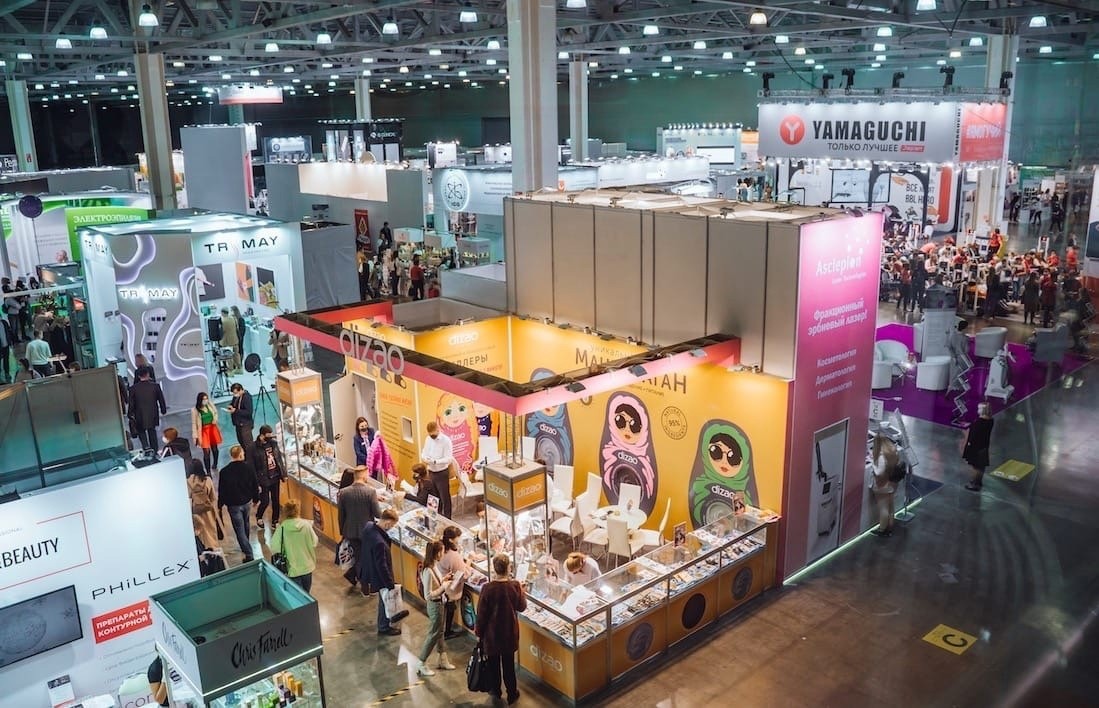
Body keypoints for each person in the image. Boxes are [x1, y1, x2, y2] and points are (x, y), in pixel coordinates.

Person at [476, 553, 527, 705]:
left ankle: (495, 691)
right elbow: (521, 607)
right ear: (508, 567)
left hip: (491, 635)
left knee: (493, 665)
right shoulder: (515, 586)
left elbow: (481, 614)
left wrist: (479, 633)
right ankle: (512, 693)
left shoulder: (487, 588)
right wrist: (522, 592)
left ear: (494, 568)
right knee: (509, 666)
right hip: (509, 633)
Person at [416, 540, 458, 677]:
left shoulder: (433, 566)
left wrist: (444, 579)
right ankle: (421, 662)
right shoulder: (428, 571)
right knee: (434, 634)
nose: (443, 554)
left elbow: (436, 583)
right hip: (435, 605)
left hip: (440, 604)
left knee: (440, 632)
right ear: (437, 553)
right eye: (442, 551)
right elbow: (428, 595)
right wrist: (443, 587)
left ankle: (443, 659)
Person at [337, 466, 382, 592]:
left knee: (358, 558)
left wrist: (342, 531)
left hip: (351, 531)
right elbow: (378, 514)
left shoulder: (344, 493)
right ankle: (368, 585)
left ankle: (364, 585)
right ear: (363, 476)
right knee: (368, 558)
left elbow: (341, 515)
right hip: (367, 532)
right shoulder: (370, 492)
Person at [359, 508, 403, 636]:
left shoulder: (368, 526)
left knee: (383, 599)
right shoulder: (379, 542)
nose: (391, 528)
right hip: (378, 575)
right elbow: (381, 565)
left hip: (368, 568)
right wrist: (389, 584)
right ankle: (384, 627)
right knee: (385, 600)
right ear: (387, 523)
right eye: (392, 525)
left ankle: (384, 624)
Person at [218, 444, 259, 562]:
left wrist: (220, 504)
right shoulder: (248, 468)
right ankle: (246, 546)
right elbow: (255, 484)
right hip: (247, 501)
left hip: (233, 505)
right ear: (240, 454)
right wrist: (256, 499)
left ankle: (248, 552)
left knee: (239, 529)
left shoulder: (224, 471)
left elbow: (222, 490)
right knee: (246, 524)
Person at [270, 499, 319, 593]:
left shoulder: (282, 528)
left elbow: (275, 547)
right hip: (307, 567)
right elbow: (314, 542)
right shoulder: (306, 525)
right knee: (307, 595)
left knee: (298, 597)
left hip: (292, 569)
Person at [251, 425, 286, 530]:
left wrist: (283, 474)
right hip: (264, 478)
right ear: (262, 435)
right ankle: (259, 516)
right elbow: (252, 466)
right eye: (268, 434)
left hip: (275, 476)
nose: (270, 436)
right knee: (265, 501)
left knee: (276, 500)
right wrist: (256, 482)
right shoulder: (254, 447)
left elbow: (279, 459)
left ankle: (275, 520)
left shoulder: (273, 444)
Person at [187, 458, 221, 559]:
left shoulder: (187, 482)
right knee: (211, 533)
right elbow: (213, 497)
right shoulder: (207, 480)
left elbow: (188, 498)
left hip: (196, 512)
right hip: (208, 511)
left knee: (201, 534)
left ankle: (206, 554)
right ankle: (216, 555)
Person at [420, 421, 455, 519]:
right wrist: (425, 458)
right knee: (434, 497)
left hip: (441, 472)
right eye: (430, 434)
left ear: (438, 429)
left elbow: (449, 458)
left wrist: (436, 461)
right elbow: (424, 452)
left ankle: (448, 518)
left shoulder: (446, 441)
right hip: (431, 472)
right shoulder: (428, 439)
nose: (432, 436)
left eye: (433, 434)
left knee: (444, 497)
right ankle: (436, 516)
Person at [438, 526, 468, 639]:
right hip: (451, 588)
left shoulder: (441, 548)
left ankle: (444, 629)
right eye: (457, 537)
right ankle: (447, 631)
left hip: (442, 584)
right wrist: (469, 560)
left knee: (445, 608)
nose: (459, 539)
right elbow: (463, 575)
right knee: (450, 608)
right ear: (451, 540)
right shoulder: (453, 556)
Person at [869, 433, 901, 537]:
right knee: (890, 507)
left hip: (882, 486)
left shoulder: (881, 456)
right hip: (891, 484)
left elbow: (878, 472)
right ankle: (889, 528)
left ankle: (882, 529)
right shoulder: (893, 452)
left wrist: (873, 464)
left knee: (883, 508)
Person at [129, 366, 166, 451]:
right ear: (148, 374)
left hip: (139, 414)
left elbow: (131, 404)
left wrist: (130, 414)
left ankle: (146, 448)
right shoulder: (155, 386)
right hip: (152, 413)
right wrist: (163, 410)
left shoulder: (133, 388)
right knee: (152, 431)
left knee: (141, 432)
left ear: (138, 376)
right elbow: (161, 399)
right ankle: (155, 450)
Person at [963, 402, 995, 491]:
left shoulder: (980, 422)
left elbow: (975, 435)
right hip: (984, 446)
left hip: (976, 447)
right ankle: (979, 481)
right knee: (981, 466)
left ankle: (974, 483)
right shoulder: (990, 420)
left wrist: (969, 444)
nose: (978, 410)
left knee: (976, 466)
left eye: (979, 408)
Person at [192, 391, 223, 474]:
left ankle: (215, 463)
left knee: (215, 449)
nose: (205, 400)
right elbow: (194, 423)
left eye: (206, 399)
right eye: (203, 399)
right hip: (203, 431)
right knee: (206, 452)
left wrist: (215, 419)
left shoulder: (210, 405)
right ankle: (208, 471)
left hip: (212, 428)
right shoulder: (195, 410)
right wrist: (195, 436)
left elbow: (215, 412)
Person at [228, 382, 254, 449]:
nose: (234, 394)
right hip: (238, 423)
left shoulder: (247, 397)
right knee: (241, 442)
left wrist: (235, 411)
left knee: (248, 444)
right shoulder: (236, 396)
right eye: (233, 393)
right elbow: (234, 404)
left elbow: (249, 412)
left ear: (241, 390)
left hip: (245, 424)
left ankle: (251, 455)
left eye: (236, 393)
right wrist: (230, 406)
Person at [219, 307, 241, 374]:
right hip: (235, 339)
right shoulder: (234, 319)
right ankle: (239, 368)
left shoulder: (223, 321)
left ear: (222, 313)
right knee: (236, 354)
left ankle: (230, 371)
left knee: (228, 356)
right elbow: (237, 328)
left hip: (227, 341)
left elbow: (222, 331)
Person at [0, 316, 12, 383]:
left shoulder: (4, 323)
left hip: (6, 345)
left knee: (6, 360)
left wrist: (10, 342)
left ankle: (7, 373)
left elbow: (9, 332)